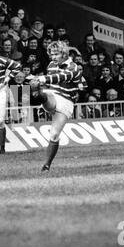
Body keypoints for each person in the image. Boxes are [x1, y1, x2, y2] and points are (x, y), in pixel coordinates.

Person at [30, 41, 82, 172]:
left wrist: (43, 79)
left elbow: (61, 77)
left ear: (64, 53)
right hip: (53, 94)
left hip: (66, 100)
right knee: (47, 96)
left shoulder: (73, 67)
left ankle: (46, 165)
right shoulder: (51, 65)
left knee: (54, 135)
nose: (53, 57)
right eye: (51, 54)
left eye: (56, 54)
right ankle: (38, 95)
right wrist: (41, 83)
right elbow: (51, 81)